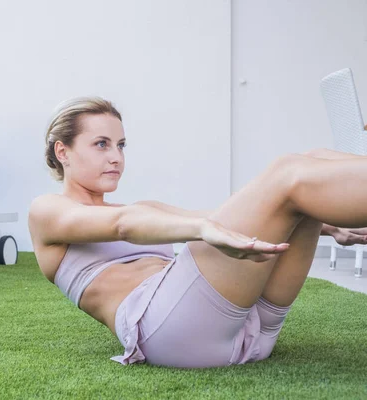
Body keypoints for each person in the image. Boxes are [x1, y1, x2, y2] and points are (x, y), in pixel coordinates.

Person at [28, 96, 367, 368]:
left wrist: (326, 226)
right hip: (173, 334)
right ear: (63, 152)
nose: (116, 157)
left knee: (311, 159)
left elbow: (223, 217)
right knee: (287, 172)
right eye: (101, 144)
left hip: (249, 326)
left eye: (121, 145)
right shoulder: (47, 211)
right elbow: (124, 226)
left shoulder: (144, 207)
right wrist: (202, 230)